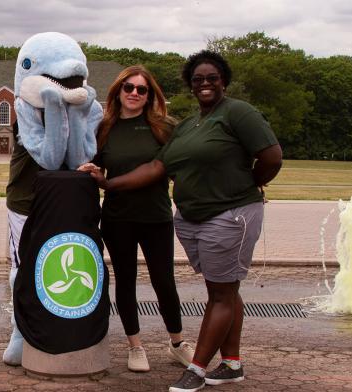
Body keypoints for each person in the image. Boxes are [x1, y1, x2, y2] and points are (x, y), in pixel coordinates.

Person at [81, 50, 282, 392]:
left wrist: (249, 184)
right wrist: (105, 183)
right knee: (221, 289)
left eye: (142, 89)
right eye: (198, 79)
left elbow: (269, 156)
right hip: (149, 217)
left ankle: (193, 363)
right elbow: (156, 167)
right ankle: (226, 362)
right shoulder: (183, 125)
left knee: (206, 289)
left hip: (199, 215)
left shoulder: (216, 116)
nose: (134, 93)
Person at [92, 65, 195, 372]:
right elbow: (92, 167)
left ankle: (177, 343)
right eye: (129, 87)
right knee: (125, 281)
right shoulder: (104, 128)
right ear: (118, 91)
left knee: (164, 281)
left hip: (156, 217)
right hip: (118, 217)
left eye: (142, 89)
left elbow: (184, 168)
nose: (135, 93)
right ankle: (135, 346)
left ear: (150, 95)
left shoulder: (163, 127)